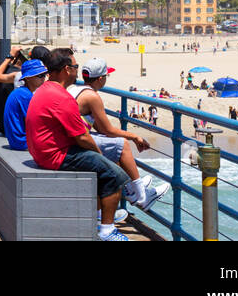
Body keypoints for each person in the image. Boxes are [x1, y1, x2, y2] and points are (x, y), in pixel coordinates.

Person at [25, 48, 131, 241]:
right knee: (115, 175)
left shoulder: (45, 90)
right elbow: (82, 137)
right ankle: (107, 231)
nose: (77, 71)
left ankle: (102, 214)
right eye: (75, 66)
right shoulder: (61, 97)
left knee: (101, 167)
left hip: (41, 151)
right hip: (55, 155)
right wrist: (100, 154)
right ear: (67, 70)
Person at [68, 57, 167, 211]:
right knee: (122, 145)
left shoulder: (75, 89)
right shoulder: (92, 96)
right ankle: (142, 197)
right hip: (75, 143)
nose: (107, 78)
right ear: (100, 79)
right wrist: (134, 136)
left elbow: (102, 130)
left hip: (71, 139)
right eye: (106, 76)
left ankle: (131, 189)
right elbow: (107, 130)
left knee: (113, 145)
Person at [2, 57, 48, 150]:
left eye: (44, 74)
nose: (43, 78)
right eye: (40, 75)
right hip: (22, 142)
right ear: (28, 78)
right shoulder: (25, 95)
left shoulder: (21, 92)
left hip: (16, 140)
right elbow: (35, 122)